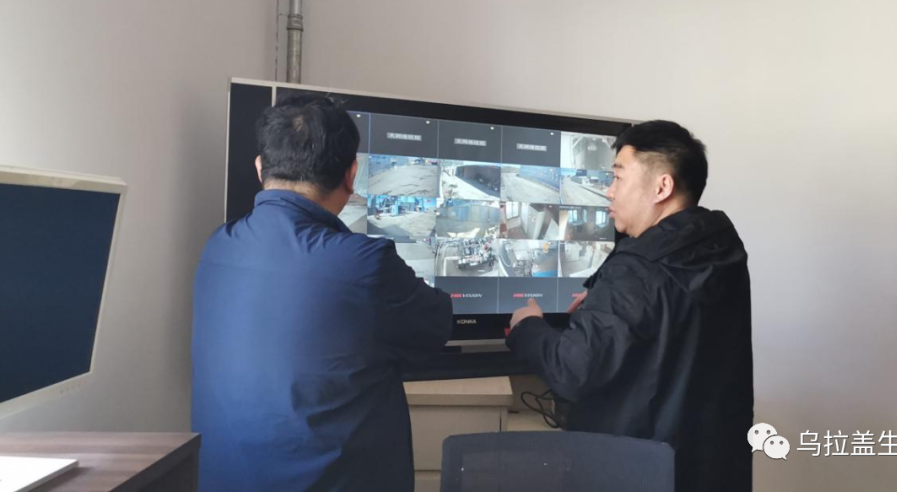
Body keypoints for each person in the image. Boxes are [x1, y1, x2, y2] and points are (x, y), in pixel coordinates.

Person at [192, 95, 452, 491]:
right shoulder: (364, 263)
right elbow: (436, 327)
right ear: (352, 174)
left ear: (260, 168)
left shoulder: (217, 246)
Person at [506, 120, 754, 491]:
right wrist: (607, 300)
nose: (609, 191)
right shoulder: (718, 250)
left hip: (636, 469)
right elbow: (674, 326)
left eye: (619, 177)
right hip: (708, 469)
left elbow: (572, 371)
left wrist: (528, 326)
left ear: (662, 187)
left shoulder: (636, 271)